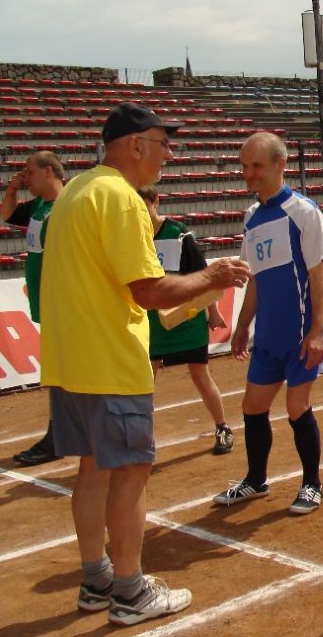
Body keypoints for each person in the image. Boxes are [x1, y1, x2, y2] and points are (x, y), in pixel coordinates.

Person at [39, 102, 252, 627]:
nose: (168, 154)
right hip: (110, 359)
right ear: (135, 145)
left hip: (71, 359)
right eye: (162, 143)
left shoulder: (75, 191)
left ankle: (96, 580)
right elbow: (150, 290)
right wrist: (214, 276)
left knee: (92, 469)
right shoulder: (121, 198)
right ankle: (130, 591)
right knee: (131, 472)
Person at [212, 131, 323, 516]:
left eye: (257, 166)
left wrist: (316, 332)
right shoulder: (251, 218)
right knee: (253, 406)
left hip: (301, 333)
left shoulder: (304, 212)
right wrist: (242, 325)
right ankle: (256, 480)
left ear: (281, 165)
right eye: (244, 166)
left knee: (297, 407)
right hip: (268, 335)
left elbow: (318, 275)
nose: (249, 173)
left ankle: (312, 484)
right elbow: (255, 279)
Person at [137, 185, 234, 455]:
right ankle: (142, 440)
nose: (139, 212)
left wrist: (213, 312)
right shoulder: (133, 237)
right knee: (145, 381)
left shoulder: (178, 234)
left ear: (156, 201)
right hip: (152, 323)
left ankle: (222, 427)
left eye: (143, 205)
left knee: (200, 374)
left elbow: (204, 277)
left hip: (188, 319)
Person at [1, 151, 65, 466]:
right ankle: (62, 433)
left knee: (61, 370)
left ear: (48, 171)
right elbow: (8, 214)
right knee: (59, 369)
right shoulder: (40, 206)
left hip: (63, 303)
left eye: (29, 172)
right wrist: (12, 189)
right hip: (48, 303)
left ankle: (59, 435)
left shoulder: (66, 207)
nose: (25, 177)